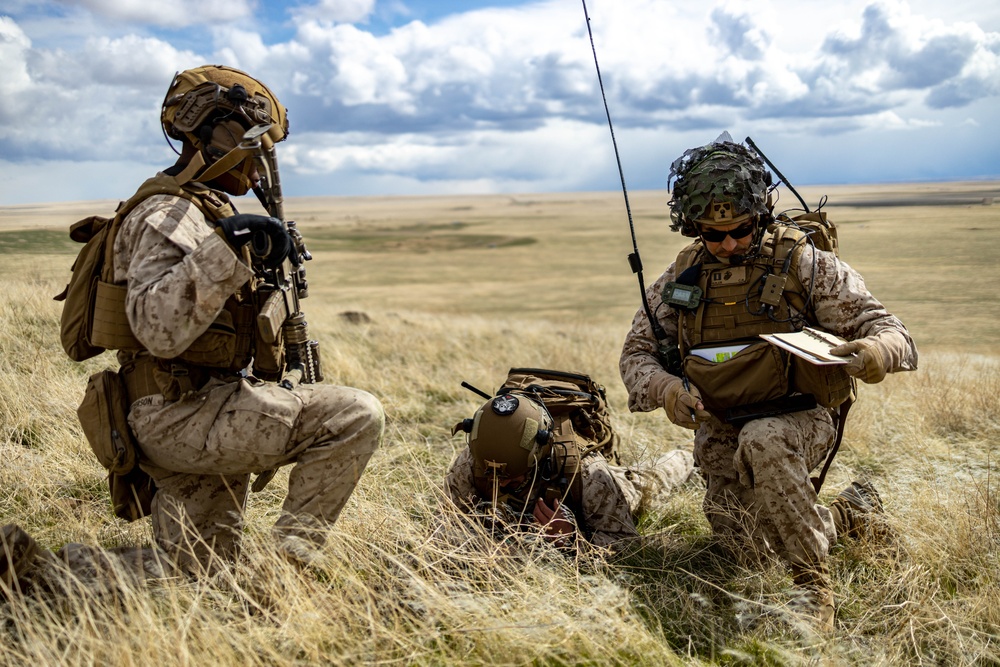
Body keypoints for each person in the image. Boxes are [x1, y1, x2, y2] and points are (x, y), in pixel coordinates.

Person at [2, 65, 384, 596]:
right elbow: (159, 331)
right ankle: (283, 582)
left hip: (191, 408)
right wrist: (225, 246)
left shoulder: (200, 213)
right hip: (181, 413)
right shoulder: (167, 214)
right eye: (252, 144)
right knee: (353, 416)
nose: (258, 164)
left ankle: (41, 574)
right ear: (216, 136)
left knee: (198, 579)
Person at [618, 134, 917, 631]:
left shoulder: (803, 262)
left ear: (761, 214)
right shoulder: (685, 275)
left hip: (799, 416)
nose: (729, 244)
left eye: (740, 229)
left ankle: (814, 594)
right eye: (714, 235)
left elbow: (891, 330)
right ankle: (850, 512)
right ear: (695, 228)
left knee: (767, 438)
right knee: (747, 549)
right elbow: (637, 354)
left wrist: (874, 353)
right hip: (720, 428)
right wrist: (667, 391)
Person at [445, 368, 694, 550]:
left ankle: (691, 450)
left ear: (539, 458)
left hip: (608, 489)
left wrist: (571, 541)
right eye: (492, 474)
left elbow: (627, 543)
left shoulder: (589, 475)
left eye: (512, 477)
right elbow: (445, 527)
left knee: (656, 476)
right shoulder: (471, 463)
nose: (499, 482)